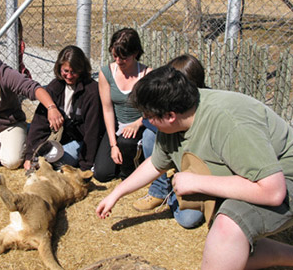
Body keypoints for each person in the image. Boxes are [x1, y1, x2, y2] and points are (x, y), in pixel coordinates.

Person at [96, 65, 293, 269]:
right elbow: (156, 164)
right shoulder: (175, 120)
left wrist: (197, 182)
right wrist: (116, 194)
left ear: (170, 116)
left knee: (227, 228)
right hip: (254, 179)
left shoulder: (229, 122)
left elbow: (273, 191)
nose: (145, 120)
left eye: (147, 115)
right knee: (227, 251)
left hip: (284, 179)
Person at [133, 54, 207, 229]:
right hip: (175, 158)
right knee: (150, 135)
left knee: (188, 219)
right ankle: (159, 189)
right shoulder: (167, 109)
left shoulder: (207, 110)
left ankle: (175, 191)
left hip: (201, 173)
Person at [23, 45, 103, 171]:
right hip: (59, 137)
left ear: (82, 69)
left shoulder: (92, 91)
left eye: (74, 72)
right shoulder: (55, 87)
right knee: (37, 157)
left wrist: (85, 167)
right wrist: (30, 156)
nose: (69, 76)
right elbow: (39, 123)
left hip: (80, 140)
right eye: (65, 71)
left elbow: (92, 132)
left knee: (53, 163)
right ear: (59, 68)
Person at [93, 28, 150, 182]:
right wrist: (113, 144)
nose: (118, 61)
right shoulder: (106, 73)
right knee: (102, 174)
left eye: (124, 58)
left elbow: (152, 110)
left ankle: (134, 167)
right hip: (117, 125)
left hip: (139, 125)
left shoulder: (146, 74)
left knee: (126, 142)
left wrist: (138, 124)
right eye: (115, 56)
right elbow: (108, 109)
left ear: (135, 53)